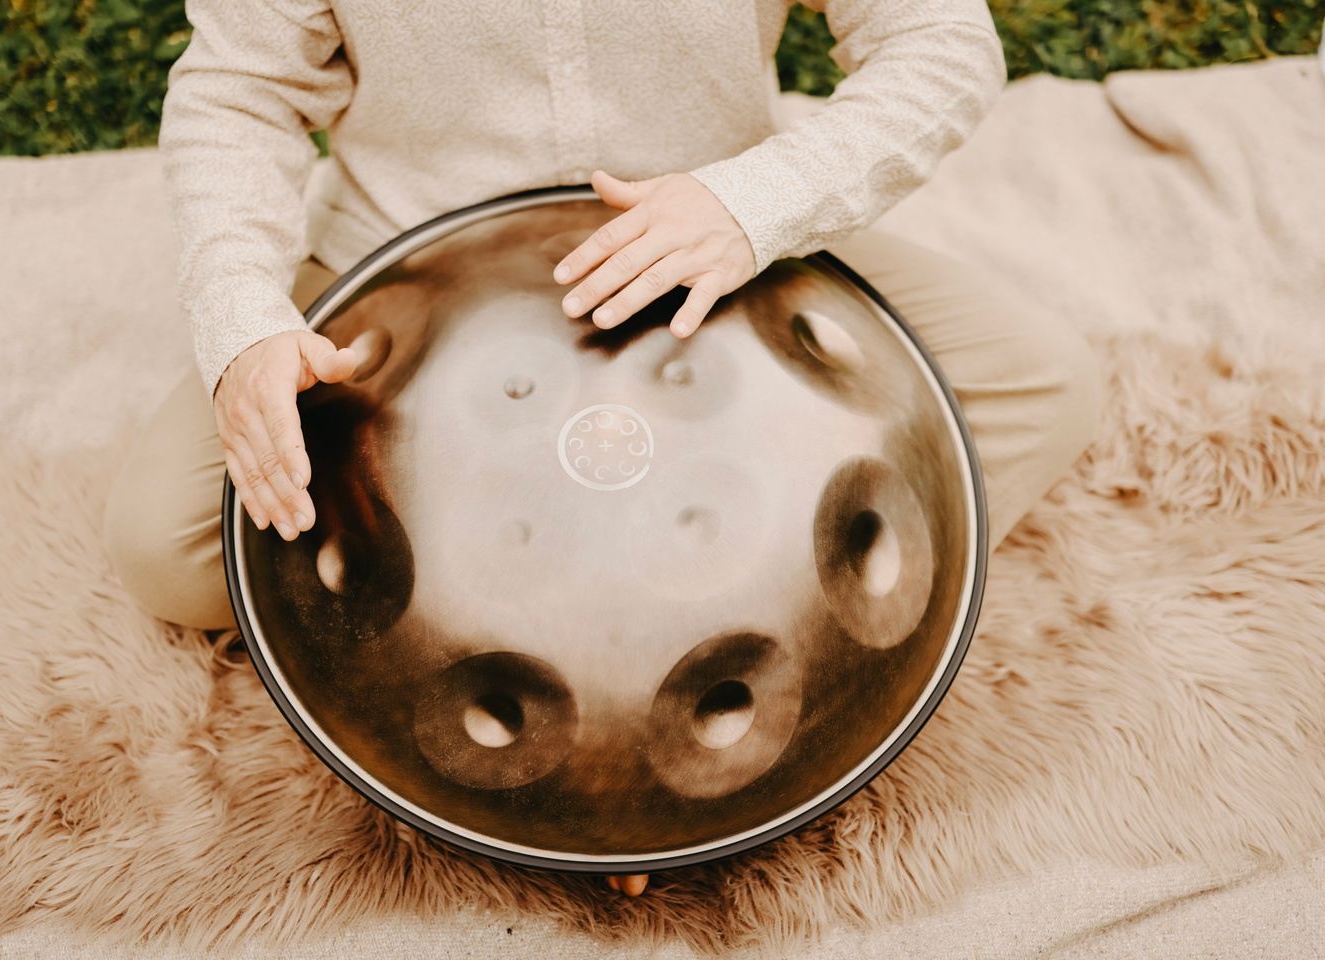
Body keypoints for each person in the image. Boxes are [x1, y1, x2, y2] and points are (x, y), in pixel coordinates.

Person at [104, 0, 1103, 898]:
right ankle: (410, 665)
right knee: (166, 542)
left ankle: (793, 666)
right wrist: (243, 324)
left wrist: (756, 201)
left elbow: (939, 40)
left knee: (1044, 384)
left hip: (704, 251)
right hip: (407, 260)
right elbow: (238, 92)